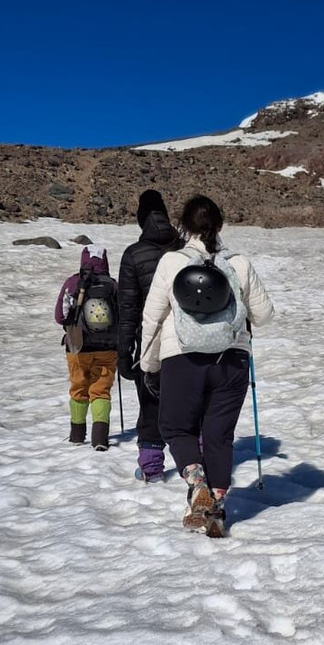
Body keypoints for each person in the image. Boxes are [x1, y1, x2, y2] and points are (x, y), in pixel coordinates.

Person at [139, 195, 274, 535]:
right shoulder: (238, 263)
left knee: (177, 428)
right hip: (231, 360)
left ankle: (197, 484)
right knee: (218, 435)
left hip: (181, 359)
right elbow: (265, 314)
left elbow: (153, 318)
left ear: (182, 225)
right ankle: (217, 507)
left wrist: (148, 364)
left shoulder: (172, 262)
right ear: (220, 225)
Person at [117, 189, 184, 481]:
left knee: (150, 404)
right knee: (190, 404)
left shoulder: (134, 254)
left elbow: (128, 309)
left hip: (151, 341)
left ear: (141, 219)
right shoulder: (185, 249)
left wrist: (123, 352)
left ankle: (152, 467)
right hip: (187, 338)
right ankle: (199, 464)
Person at [54, 245, 119, 450]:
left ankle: (77, 435)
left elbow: (59, 316)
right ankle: (100, 438)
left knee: (78, 388)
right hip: (108, 347)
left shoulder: (73, 283)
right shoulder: (113, 286)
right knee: (101, 391)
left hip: (77, 345)